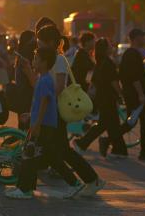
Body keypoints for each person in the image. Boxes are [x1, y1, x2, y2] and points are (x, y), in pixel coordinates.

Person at [32, 25, 104, 198]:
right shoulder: (52, 58)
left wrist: (45, 103)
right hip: (51, 112)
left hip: (55, 112)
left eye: (41, 42)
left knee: (59, 150)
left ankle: (88, 180)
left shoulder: (58, 60)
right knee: (60, 150)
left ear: (49, 42)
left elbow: (59, 86)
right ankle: (88, 180)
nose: (39, 46)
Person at [5, 47, 58, 199]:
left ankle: (24, 189)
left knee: (29, 155)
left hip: (43, 125)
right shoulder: (42, 78)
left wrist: (37, 124)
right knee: (31, 156)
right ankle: (26, 188)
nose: (34, 61)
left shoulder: (46, 79)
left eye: (36, 58)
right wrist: (30, 115)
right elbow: (39, 102)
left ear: (45, 62)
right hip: (40, 122)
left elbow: (45, 102)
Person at [73, 38, 127, 158]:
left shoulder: (99, 63)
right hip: (108, 99)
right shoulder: (108, 63)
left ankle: (118, 149)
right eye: (109, 46)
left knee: (109, 124)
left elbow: (92, 82)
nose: (111, 47)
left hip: (101, 99)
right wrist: (121, 94)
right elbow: (114, 82)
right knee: (109, 124)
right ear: (105, 49)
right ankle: (83, 143)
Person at [119, 29, 145, 161]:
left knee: (133, 122)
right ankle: (144, 152)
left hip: (132, 93)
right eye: (142, 36)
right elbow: (134, 77)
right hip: (136, 94)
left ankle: (110, 140)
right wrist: (141, 94)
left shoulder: (130, 54)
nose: (144, 39)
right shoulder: (132, 54)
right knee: (144, 122)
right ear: (136, 38)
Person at [15, 30, 36, 131]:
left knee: (22, 121)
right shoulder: (27, 52)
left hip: (21, 92)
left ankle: (20, 142)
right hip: (27, 92)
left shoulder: (21, 52)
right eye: (33, 39)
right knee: (26, 121)